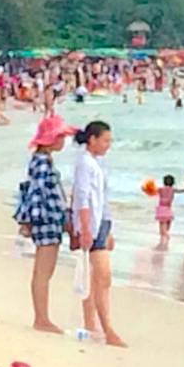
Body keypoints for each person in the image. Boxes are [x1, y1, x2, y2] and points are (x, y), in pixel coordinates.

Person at [14, 115, 78, 334]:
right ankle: (41, 318)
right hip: (46, 220)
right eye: (61, 137)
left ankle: (42, 317)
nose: (63, 141)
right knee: (43, 271)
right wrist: (29, 220)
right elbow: (37, 193)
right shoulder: (42, 162)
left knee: (44, 271)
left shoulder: (41, 160)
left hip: (47, 219)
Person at [72, 121, 126, 347]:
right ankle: (107, 329)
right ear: (92, 140)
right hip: (91, 225)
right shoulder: (85, 163)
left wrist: (108, 229)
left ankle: (91, 324)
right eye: (105, 140)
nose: (108, 145)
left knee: (97, 277)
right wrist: (85, 229)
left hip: (101, 223)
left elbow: (102, 199)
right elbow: (81, 197)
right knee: (103, 276)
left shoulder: (96, 163)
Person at [153, 174, 184, 245]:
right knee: (168, 224)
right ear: (173, 183)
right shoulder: (173, 190)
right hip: (168, 209)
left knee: (162, 224)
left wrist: (145, 188)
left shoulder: (160, 189)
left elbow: (151, 191)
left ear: (164, 182)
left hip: (161, 209)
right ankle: (165, 236)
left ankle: (163, 237)